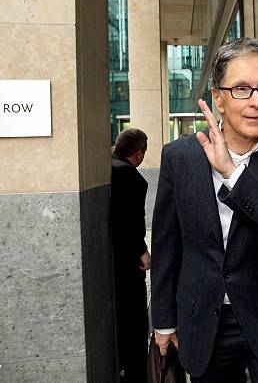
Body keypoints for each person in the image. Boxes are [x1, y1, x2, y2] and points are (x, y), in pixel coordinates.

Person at [151, 37, 258, 382]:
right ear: (218, 98)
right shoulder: (180, 157)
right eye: (241, 88)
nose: (256, 102)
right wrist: (163, 320)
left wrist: (233, 175)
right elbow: (168, 245)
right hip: (203, 320)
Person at [110, 128, 151, 383]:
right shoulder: (130, 176)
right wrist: (142, 251)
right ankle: (136, 371)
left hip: (111, 259)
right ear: (138, 154)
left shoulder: (106, 167)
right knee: (135, 319)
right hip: (127, 262)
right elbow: (132, 220)